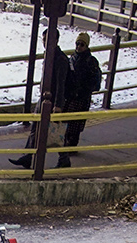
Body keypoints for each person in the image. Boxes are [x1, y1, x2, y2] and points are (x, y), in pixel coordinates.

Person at [10, 27, 70, 170]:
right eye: (43, 39)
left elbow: (61, 84)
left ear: (55, 40)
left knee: (54, 131)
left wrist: (58, 105)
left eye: (47, 39)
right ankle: (28, 156)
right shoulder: (49, 55)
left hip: (52, 100)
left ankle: (64, 158)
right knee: (35, 128)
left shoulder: (60, 59)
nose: (44, 42)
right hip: (43, 97)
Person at [61, 32, 103, 170]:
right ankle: (66, 144)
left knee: (76, 123)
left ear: (87, 46)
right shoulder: (72, 58)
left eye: (82, 44)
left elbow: (95, 82)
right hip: (71, 96)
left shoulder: (91, 62)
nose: (79, 47)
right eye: (77, 44)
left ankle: (71, 145)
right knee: (67, 120)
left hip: (81, 97)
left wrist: (83, 90)